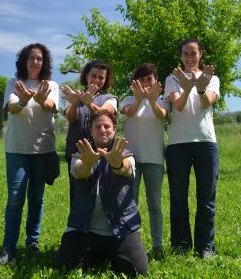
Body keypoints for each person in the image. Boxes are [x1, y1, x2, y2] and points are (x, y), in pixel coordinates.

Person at [55, 110, 148, 277]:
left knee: (138, 270)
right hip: (84, 228)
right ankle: (96, 253)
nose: (103, 130)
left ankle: (103, 253)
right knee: (64, 267)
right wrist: (87, 164)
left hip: (120, 228)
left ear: (114, 129)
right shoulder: (80, 154)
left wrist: (117, 164)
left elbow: (126, 170)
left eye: (107, 126)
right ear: (90, 130)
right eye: (98, 127)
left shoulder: (125, 154)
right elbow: (79, 172)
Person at [0, 43, 59, 264]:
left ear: (45, 62)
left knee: (36, 198)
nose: (35, 62)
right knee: (14, 198)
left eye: (40, 58)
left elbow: (51, 105)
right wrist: (23, 99)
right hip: (17, 149)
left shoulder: (51, 84)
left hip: (43, 149)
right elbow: (12, 107)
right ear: (24, 60)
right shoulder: (14, 83)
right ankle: (9, 249)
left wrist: (40, 99)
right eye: (31, 57)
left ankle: (33, 242)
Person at [164, 38, 220, 259]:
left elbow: (206, 102)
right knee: (178, 198)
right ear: (181, 56)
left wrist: (198, 88)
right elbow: (177, 105)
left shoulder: (211, 78)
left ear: (200, 55)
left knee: (206, 198)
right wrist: (187, 88)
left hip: (206, 144)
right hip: (178, 145)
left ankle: (206, 246)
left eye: (193, 53)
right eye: (185, 53)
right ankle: (181, 245)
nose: (189, 57)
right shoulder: (172, 79)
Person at [120, 63, 169, 258]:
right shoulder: (129, 99)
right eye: (142, 80)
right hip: (130, 159)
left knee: (155, 204)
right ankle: (132, 244)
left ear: (156, 80)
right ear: (136, 83)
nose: (147, 83)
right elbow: (129, 112)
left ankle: (157, 246)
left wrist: (152, 100)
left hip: (154, 158)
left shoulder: (163, 100)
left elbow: (162, 115)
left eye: (150, 79)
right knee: (131, 203)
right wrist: (140, 99)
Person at [61, 60, 117, 208]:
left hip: (103, 153)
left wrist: (88, 103)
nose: (97, 80)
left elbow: (104, 114)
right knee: (77, 195)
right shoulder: (74, 96)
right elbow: (70, 117)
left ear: (105, 80)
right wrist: (74, 103)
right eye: (94, 75)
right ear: (86, 75)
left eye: (101, 77)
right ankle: (76, 229)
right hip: (76, 153)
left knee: (102, 194)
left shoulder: (110, 98)